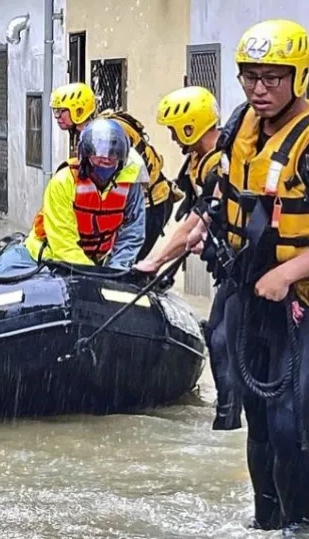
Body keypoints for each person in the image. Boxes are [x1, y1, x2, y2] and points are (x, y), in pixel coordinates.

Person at [184, 19, 309, 531]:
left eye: (272, 78)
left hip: (305, 303)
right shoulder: (240, 123)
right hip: (250, 294)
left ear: (298, 76)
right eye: (249, 77)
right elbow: (222, 195)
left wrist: (289, 272)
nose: (259, 89)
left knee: (291, 424)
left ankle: (300, 526)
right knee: (260, 425)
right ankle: (265, 523)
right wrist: (200, 231)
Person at [135, 86, 242, 431]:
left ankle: (229, 419)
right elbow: (190, 222)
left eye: (174, 129)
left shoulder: (218, 163)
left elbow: (196, 222)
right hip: (230, 269)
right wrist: (160, 261)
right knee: (217, 334)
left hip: (244, 267)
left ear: (190, 127)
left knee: (223, 338)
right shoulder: (200, 160)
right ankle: (228, 415)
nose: (172, 137)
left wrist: (153, 262)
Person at [0, 118, 146, 277]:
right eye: (99, 157)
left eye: (112, 158)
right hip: (41, 257)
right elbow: (63, 245)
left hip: (92, 264)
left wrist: (114, 272)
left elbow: (132, 234)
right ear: (85, 155)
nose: (105, 161)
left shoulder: (129, 186)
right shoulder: (63, 182)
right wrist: (95, 276)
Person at [49, 82, 183, 259]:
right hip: (137, 203)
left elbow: (130, 175)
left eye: (61, 111)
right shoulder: (90, 133)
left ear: (78, 110)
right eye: (55, 111)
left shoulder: (108, 133)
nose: (57, 116)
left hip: (150, 202)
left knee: (126, 264)